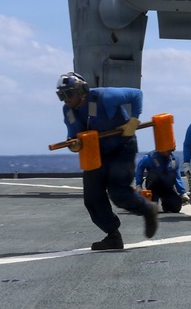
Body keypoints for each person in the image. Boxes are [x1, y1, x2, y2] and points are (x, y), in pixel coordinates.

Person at [57, 72, 158, 250]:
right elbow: (73, 134)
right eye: (61, 95)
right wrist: (74, 144)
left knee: (118, 192)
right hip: (95, 151)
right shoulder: (69, 111)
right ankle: (113, 235)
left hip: (122, 147)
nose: (65, 99)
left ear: (82, 90)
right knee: (92, 197)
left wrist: (133, 121)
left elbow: (136, 94)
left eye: (69, 94)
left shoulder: (106, 96)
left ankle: (147, 209)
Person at [135, 148, 191, 213]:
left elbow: (177, 177)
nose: (168, 152)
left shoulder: (174, 160)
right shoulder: (150, 157)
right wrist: (139, 184)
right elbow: (140, 167)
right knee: (150, 208)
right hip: (153, 186)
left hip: (167, 187)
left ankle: (166, 204)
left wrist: (183, 193)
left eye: (170, 150)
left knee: (176, 207)